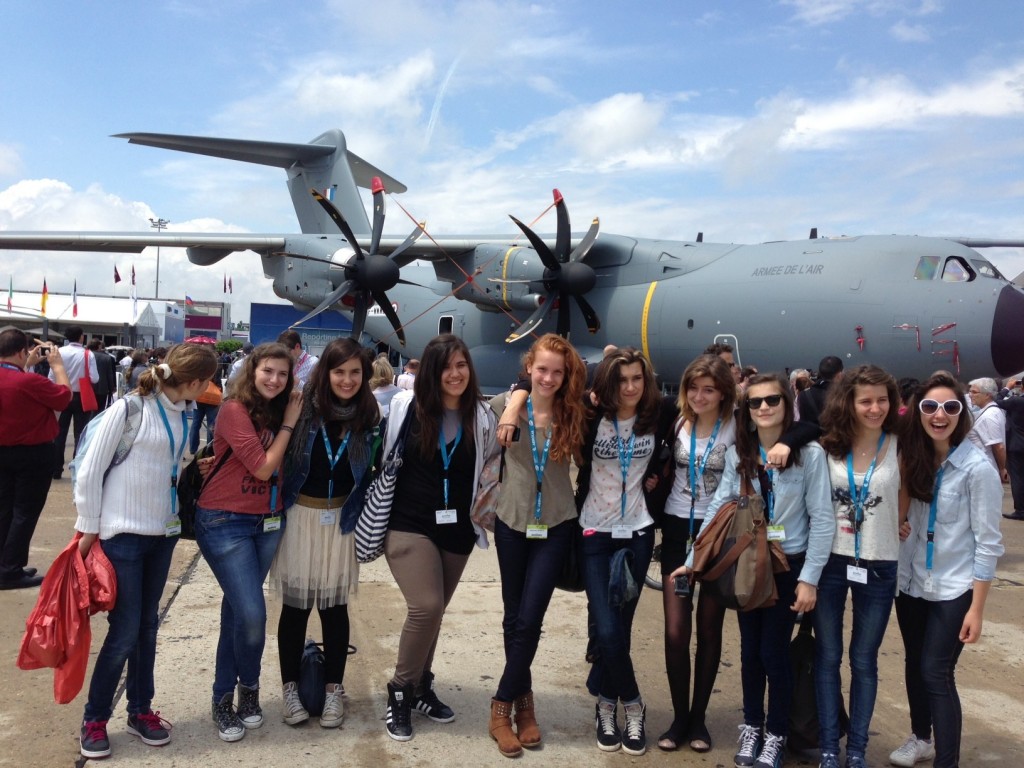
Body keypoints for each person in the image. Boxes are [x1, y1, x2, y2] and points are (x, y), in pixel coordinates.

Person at [671, 372, 834, 768]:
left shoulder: (808, 455)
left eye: (772, 401)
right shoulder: (738, 455)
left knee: (772, 653)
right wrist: (694, 560)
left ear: (786, 404)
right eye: (755, 402)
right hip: (749, 564)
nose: (763, 408)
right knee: (749, 653)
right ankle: (751, 726)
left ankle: (776, 734)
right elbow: (720, 506)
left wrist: (809, 579)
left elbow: (823, 518)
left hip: (786, 565)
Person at [75, 343, 218, 759]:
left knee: (147, 628)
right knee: (124, 631)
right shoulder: (130, 409)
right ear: (193, 381)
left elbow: (168, 464)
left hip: (163, 534)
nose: (210, 388)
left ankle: (139, 710)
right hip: (123, 536)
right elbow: (90, 470)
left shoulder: (186, 411)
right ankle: (95, 717)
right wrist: (87, 528)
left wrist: (193, 467)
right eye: (208, 381)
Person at [381, 334, 497, 742]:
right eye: (446, 367)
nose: (455, 374)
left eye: (461, 365)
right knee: (426, 606)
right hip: (407, 523)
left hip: (457, 530)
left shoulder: (482, 415)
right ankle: (400, 690)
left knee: (435, 613)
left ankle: (421, 686)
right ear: (432, 371)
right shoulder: (404, 408)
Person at [890, 372, 1003, 768]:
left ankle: (947, 761)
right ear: (918, 411)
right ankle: (921, 737)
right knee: (913, 663)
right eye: (931, 406)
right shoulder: (914, 457)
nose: (940, 415)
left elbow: (989, 543)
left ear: (962, 413)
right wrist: (901, 522)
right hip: (911, 581)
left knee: (936, 673)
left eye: (951, 407)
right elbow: (904, 513)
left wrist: (977, 608)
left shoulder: (977, 469)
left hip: (954, 588)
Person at [194, 342, 303, 743]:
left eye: (282, 373)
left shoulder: (281, 408)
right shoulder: (234, 409)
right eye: (267, 372)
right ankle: (241, 690)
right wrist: (290, 423)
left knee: (238, 613)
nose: (275, 380)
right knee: (253, 614)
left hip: (269, 522)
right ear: (252, 372)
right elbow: (261, 467)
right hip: (225, 521)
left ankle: (234, 697)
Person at [273, 338, 380, 728]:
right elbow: (262, 437)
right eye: (339, 372)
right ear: (326, 373)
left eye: (355, 372)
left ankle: (334, 690)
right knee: (296, 607)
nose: (347, 380)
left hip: (342, 523)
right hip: (300, 517)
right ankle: (289, 690)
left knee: (335, 610)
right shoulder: (301, 409)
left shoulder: (369, 416)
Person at [490, 333, 586, 757]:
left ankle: (501, 706)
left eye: (557, 372)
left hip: (556, 524)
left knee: (530, 619)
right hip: (511, 522)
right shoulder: (502, 407)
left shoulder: (574, 416)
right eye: (541, 369)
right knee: (514, 618)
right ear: (528, 367)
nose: (548, 377)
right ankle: (524, 708)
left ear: (567, 377)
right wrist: (515, 400)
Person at [574, 348, 661, 756]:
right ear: (607, 383)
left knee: (620, 629)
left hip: (639, 532)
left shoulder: (658, 416)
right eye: (621, 379)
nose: (630, 387)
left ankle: (605, 703)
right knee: (606, 629)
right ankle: (633, 703)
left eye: (637, 379)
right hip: (595, 530)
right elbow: (535, 386)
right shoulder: (591, 418)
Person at [814, 365, 902, 768]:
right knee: (828, 656)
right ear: (848, 401)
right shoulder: (827, 448)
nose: (875, 408)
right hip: (832, 561)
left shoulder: (901, 444)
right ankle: (830, 746)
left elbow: (919, 487)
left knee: (864, 660)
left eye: (882, 400)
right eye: (865, 400)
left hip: (880, 563)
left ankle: (857, 750)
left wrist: (903, 519)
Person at [0, 328, 72, 590]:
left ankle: (6, 563)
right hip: (32, 452)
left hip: (4, 451)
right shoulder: (29, 382)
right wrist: (58, 366)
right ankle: (10, 569)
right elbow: (64, 397)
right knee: (25, 513)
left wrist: (26, 365)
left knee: (5, 509)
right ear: (22, 351)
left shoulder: (20, 377)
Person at [50, 325, 100, 479]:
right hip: (81, 396)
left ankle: (56, 469)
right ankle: (76, 468)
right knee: (81, 433)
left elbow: (51, 377)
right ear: (82, 337)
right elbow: (95, 378)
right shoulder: (87, 354)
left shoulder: (59, 352)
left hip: (62, 393)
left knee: (59, 432)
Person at [966, 378, 1007, 479]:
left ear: (987, 395)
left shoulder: (989, 416)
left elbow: (999, 446)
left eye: (974, 392)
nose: (970, 395)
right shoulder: (991, 410)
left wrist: (1002, 469)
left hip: (985, 470)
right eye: (970, 391)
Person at [997, 383, 1024, 520]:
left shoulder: (1016, 401)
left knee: (1018, 478)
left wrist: (1007, 387)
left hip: (1017, 445)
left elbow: (996, 400)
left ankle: (1020, 510)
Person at [797, 355, 844, 426]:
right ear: (839, 375)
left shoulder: (804, 395)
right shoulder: (844, 395)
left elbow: (803, 424)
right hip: (840, 436)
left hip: (812, 436)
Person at [189, 374, 222, 455]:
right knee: (211, 425)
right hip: (212, 399)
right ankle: (209, 449)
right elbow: (218, 383)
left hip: (199, 397)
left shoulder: (200, 367)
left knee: (195, 424)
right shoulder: (215, 367)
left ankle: (193, 449)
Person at [87, 340, 118, 412]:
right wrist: (112, 388)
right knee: (100, 410)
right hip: (102, 388)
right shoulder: (106, 358)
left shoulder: (84, 355)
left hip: (87, 387)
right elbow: (110, 375)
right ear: (99, 346)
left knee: (86, 411)